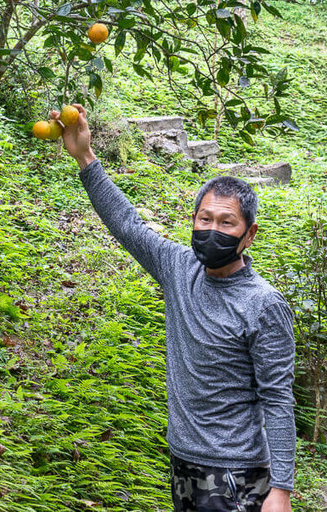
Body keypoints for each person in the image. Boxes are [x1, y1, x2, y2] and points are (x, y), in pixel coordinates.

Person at [52, 104, 295, 512]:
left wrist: (281, 489)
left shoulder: (263, 304)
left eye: (226, 223)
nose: (212, 229)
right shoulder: (180, 268)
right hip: (183, 462)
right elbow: (127, 223)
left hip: (237, 475)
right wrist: (84, 157)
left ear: (248, 234)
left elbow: (277, 398)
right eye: (205, 219)